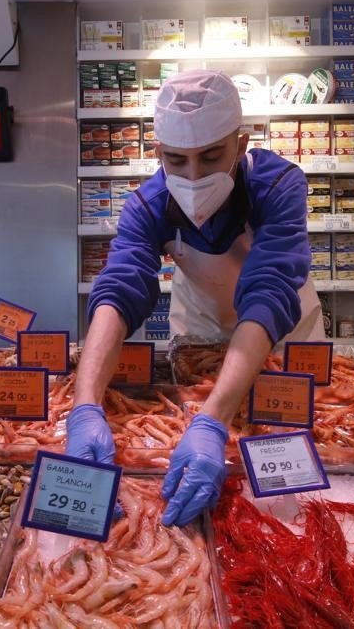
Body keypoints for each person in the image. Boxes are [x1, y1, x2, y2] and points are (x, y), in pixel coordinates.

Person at [67, 69, 323, 526]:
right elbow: (120, 287)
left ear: (241, 146)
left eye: (210, 156)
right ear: (158, 153)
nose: (193, 175)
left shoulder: (277, 185)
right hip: (202, 325)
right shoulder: (147, 204)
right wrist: (85, 406)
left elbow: (268, 289)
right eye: (176, 160)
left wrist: (212, 421)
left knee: (292, 434)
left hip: (283, 328)